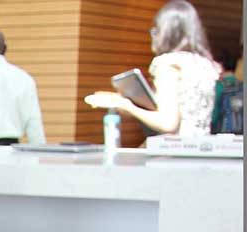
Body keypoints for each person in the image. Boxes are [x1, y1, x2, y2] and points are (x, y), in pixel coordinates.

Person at [85, 1, 220, 136]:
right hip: (202, 149)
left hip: (175, 150)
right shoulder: (204, 64)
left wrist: (126, 105)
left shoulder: (168, 64)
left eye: (156, 31)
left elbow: (167, 123)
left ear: (165, 31)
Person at [212, 49, 244, 134]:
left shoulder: (218, 86)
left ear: (221, 65)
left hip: (221, 134)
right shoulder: (243, 86)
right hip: (241, 133)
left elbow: (213, 114)